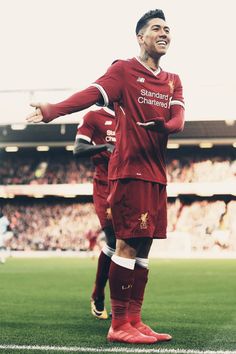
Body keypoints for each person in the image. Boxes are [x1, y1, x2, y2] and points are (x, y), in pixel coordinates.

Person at [26, 9, 185, 344]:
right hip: (130, 171)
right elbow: (90, 93)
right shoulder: (124, 71)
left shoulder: (173, 80)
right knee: (124, 244)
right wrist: (53, 110)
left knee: (143, 249)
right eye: (157, 28)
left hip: (157, 174)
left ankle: (136, 320)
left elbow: (178, 120)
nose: (164, 33)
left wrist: (164, 126)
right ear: (141, 36)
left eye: (168, 29)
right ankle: (118, 325)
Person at [74, 105, 116, 320]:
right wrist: (104, 147)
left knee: (136, 245)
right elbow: (78, 149)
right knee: (114, 241)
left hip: (130, 185)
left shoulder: (135, 115)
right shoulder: (94, 116)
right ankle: (98, 294)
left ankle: (127, 308)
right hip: (105, 187)